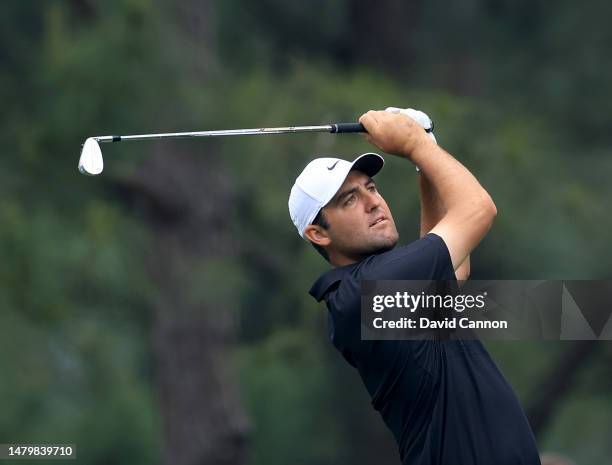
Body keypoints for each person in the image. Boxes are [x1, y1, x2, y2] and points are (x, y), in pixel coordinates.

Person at [288, 108, 541, 465]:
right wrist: (415, 144)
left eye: (371, 188)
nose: (373, 202)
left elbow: (455, 271)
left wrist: (425, 159)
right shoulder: (366, 291)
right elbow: (477, 208)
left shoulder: (374, 288)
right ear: (318, 233)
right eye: (350, 200)